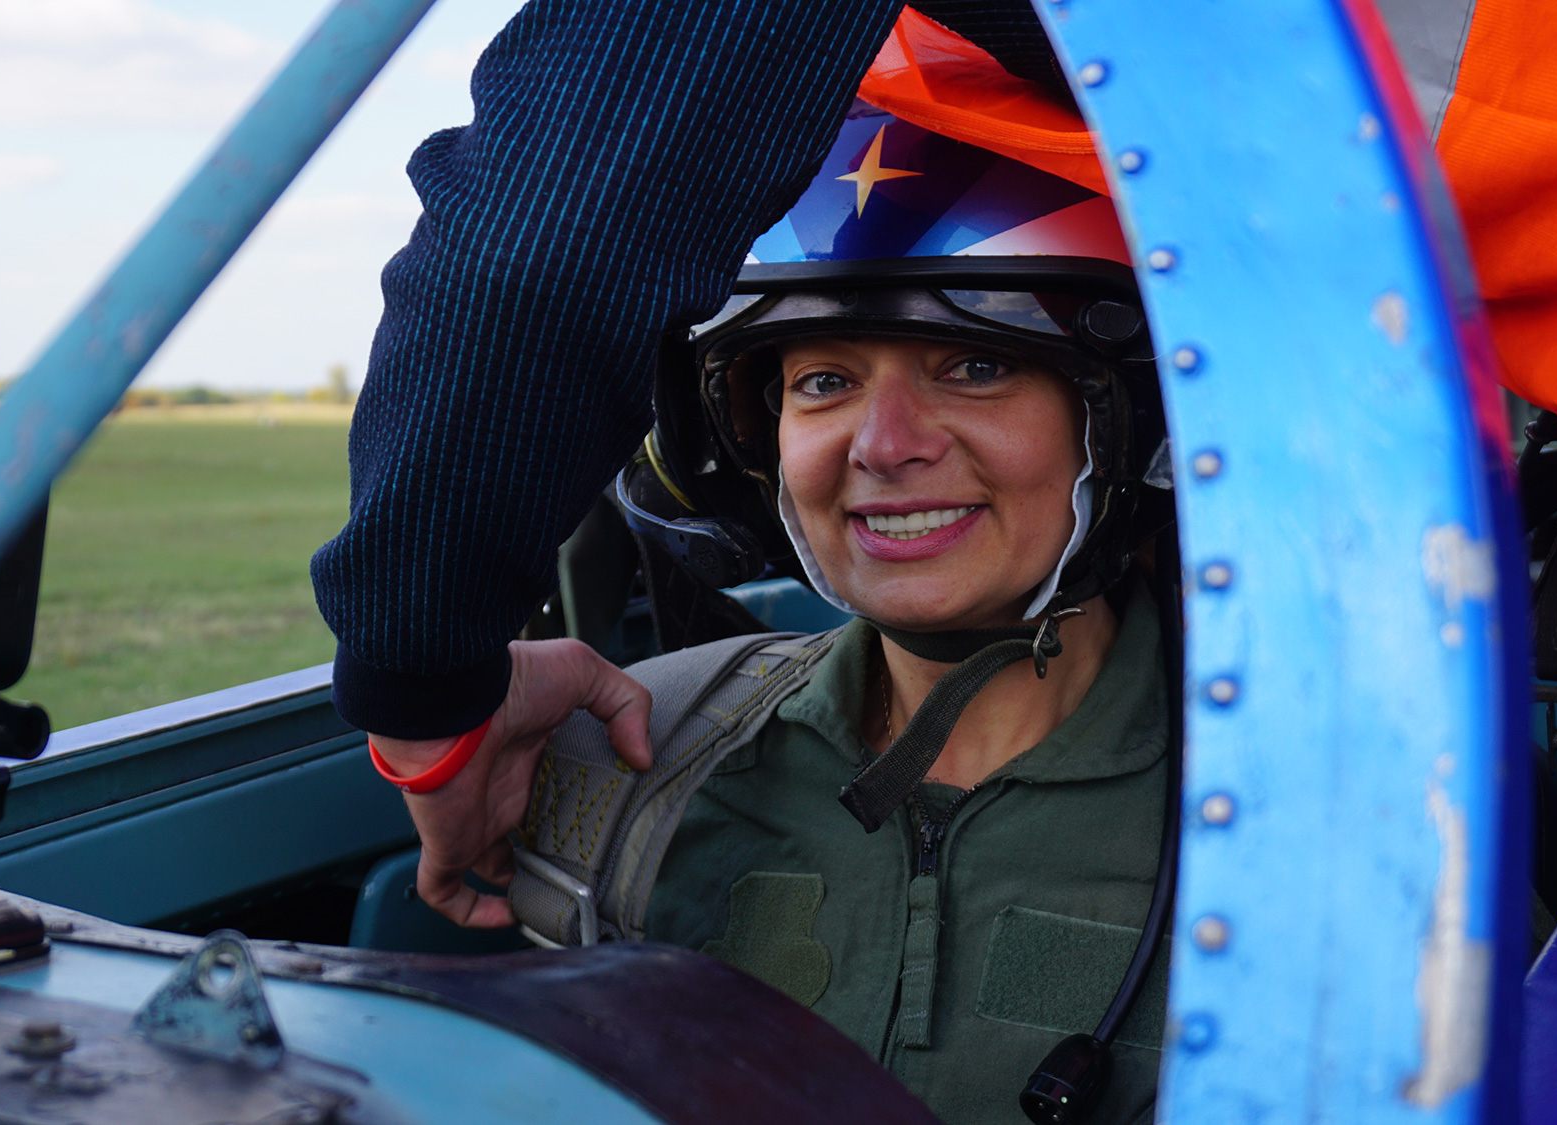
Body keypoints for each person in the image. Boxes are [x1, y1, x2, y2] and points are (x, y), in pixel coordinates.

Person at [374, 18, 1178, 1120]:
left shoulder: (1311, 812)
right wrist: (442, 712)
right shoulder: (632, 761)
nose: (883, 445)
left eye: (975, 365)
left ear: (1120, 422)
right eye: (823, 382)